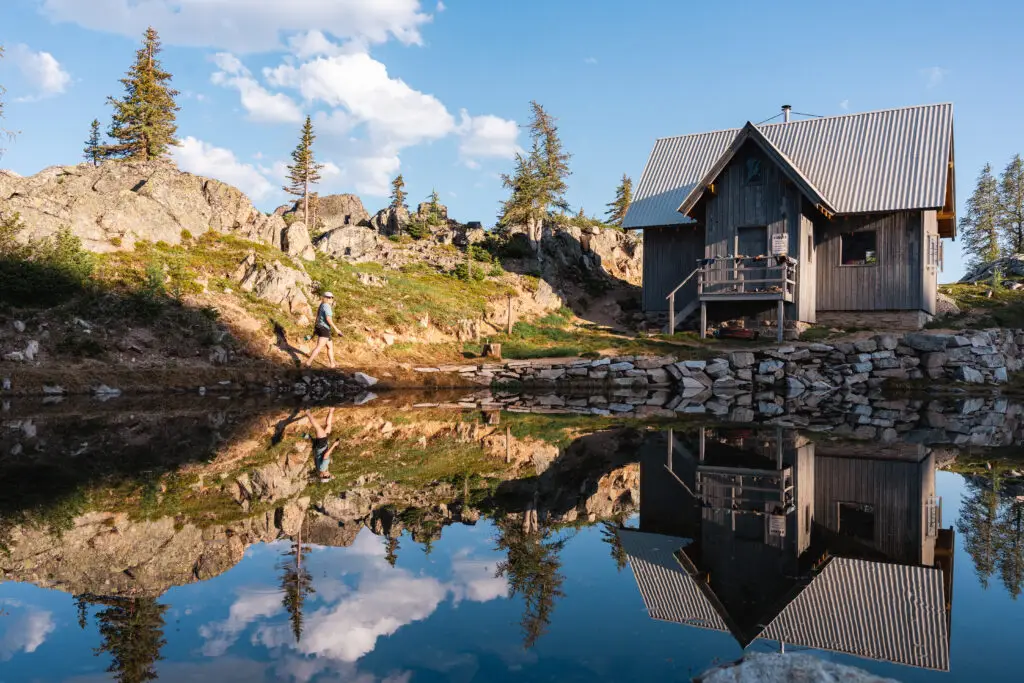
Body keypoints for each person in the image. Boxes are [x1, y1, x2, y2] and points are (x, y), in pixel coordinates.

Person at [305, 291, 343, 369]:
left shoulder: (322, 305)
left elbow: (318, 317)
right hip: (324, 328)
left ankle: (332, 364)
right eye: (329, 297)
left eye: (332, 297)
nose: (331, 299)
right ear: (325, 298)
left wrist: (316, 328)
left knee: (330, 347)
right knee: (319, 346)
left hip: (321, 327)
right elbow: (328, 319)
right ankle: (308, 362)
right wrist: (336, 329)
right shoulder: (326, 306)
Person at [305, 407, 338, 481]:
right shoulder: (319, 469)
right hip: (320, 445)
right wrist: (310, 438)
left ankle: (307, 411)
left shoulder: (323, 468)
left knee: (318, 427)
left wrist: (334, 445)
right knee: (328, 426)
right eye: (328, 476)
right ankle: (331, 410)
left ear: (323, 475)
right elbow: (316, 454)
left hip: (322, 445)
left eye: (327, 476)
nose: (328, 475)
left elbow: (326, 455)